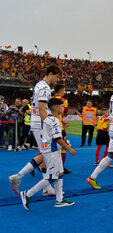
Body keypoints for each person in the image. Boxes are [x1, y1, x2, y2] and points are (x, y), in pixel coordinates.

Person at [9, 64, 61, 196]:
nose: (57, 80)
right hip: (40, 123)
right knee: (48, 155)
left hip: (37, 122)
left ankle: (20, 176)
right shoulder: (44, 87)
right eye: (57, 76)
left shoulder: (40, 85)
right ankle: (44, 188)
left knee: (44, 154)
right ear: (50, 74)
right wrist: (49, 126)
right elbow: (42, 109)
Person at [20, 98, 76, 210]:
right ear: (56, 107)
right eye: (62, 106)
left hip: (50, 150)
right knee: (52, 177)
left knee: (59, 173)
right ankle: (28, 194)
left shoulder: (47, 120)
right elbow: (57, 138)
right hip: (52, 151)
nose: (63, 108)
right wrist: (69, 148)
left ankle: (59, 200)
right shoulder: (54, 121)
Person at [52, 84, 71, 174]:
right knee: (63, 147)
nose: (64, 92)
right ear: (60, 90)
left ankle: (36, 164)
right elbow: (65, 113)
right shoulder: (64, 101)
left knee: (50, 147)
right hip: (59, 127)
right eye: (64, 90)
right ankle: (61, 168)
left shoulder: (50, 99)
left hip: (51, 125)